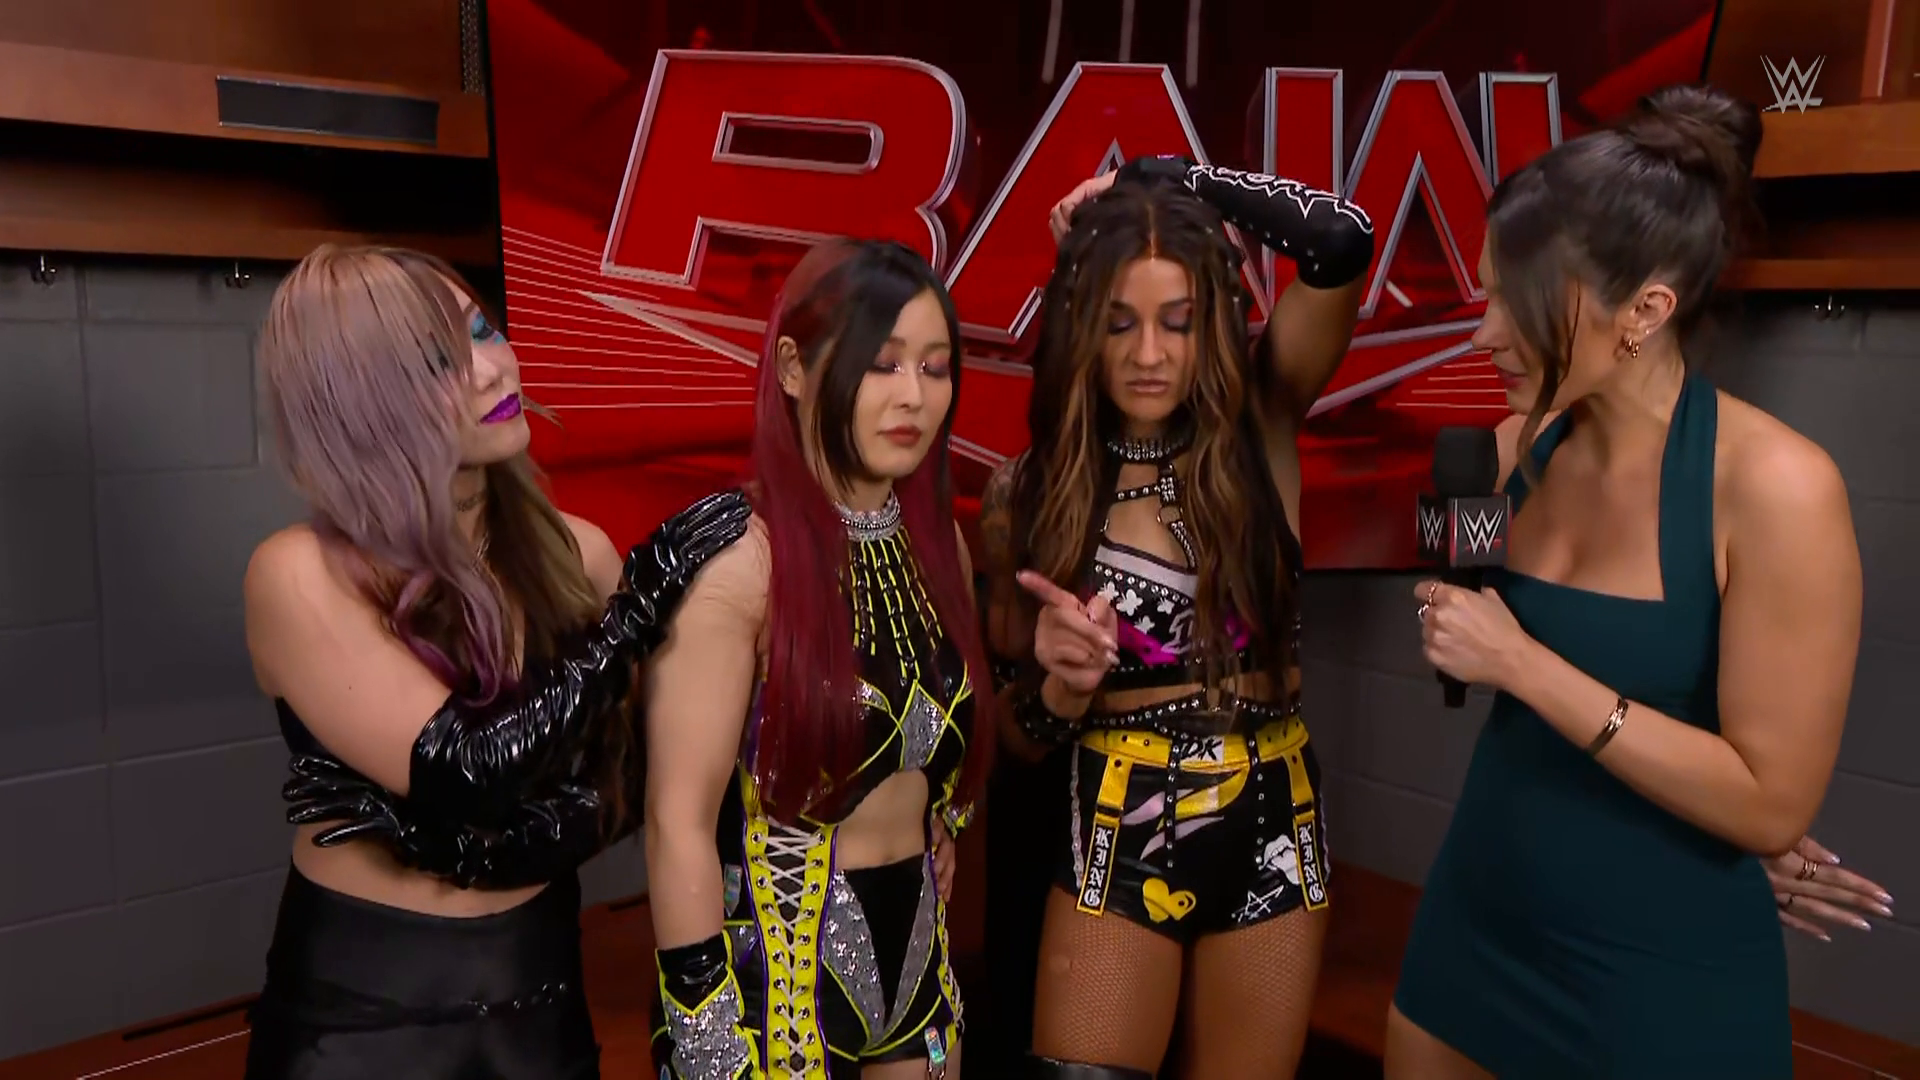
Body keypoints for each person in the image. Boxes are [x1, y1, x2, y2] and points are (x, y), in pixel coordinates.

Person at [1389, 84, 1867, 1079]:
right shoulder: (1498, 452)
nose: (1483, 335)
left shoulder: (1780, 489)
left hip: (1657, 976)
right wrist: (1448, 614)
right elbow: (1457, 619)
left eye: (1517, 305)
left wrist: (1523, 665)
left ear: (1645, 311)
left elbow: (1769, 807)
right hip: (1472, 930)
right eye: (1486, 295)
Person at [241, 244, 748, 1079]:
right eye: (438, 360)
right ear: (360, 403)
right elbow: (465, 767)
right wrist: (635, 616)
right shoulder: (298, 573)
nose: (491, 368)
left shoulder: (576, 554)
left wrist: (515, 848)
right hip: (363, 1016)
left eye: (483, 331)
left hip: (538, 990)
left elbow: (657, 772)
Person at [979, 156, 1375, 1078]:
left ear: (1213, 326)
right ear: (1081, 324)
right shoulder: (1029, 497)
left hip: (1277, 824)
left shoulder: (1260, 424)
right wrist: (1058, 690)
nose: (1149, 355)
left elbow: (1340, 239)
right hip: (1119, 826)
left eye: (1178, 321)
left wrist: (1170, 180)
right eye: (1119, 322)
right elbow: (1008, 744)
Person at [642, 238, 994, 1079]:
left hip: (919, 963)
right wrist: (709, 1038)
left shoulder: (941, 548)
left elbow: (940, 748)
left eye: (935, 368)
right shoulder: (745, 566)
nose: (913, 396)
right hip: (775, 990)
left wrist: (943, 819)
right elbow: (676, 822)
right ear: (794, 368)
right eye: (881, 364)